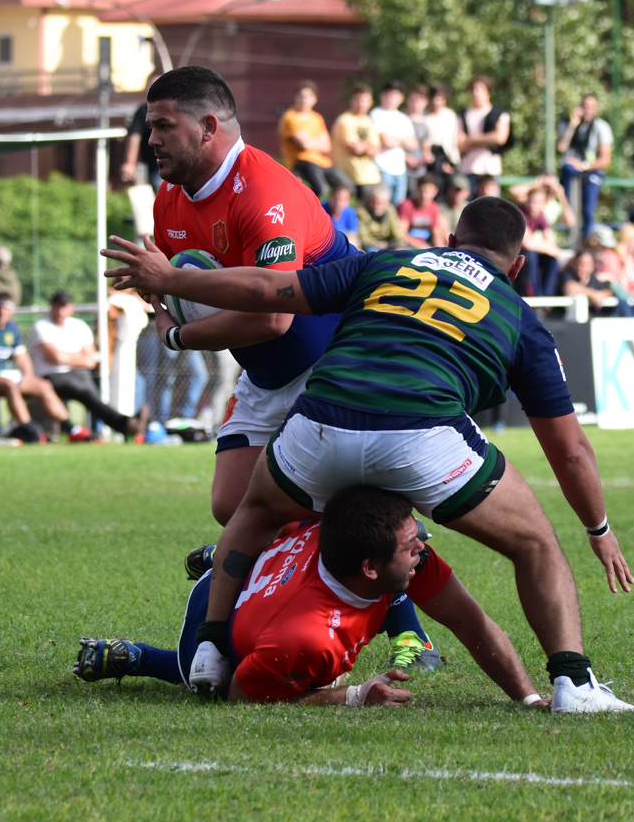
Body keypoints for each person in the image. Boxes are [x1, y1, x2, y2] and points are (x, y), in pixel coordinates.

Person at [105, 196, 634, 712]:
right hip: (421, 435)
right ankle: (573, 683)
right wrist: (599, 529)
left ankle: (210, 647)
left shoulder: (384, 262)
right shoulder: (521, 318)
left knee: (254, 512)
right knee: (536, 543)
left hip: (322, 423)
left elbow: (268, 288)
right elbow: (570, 451)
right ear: (516, 266)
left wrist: (172, 280)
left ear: (450, 239)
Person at [133, 66, 439, 672]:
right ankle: (268, 560)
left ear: (208, 126)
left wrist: (178, 333)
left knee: (360, 514)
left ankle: (410, 631)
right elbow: (181, 289)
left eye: (164, 125)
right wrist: (157, 293)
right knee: (234, 505)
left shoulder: (264, 191)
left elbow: (274, 318)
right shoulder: (169, 200)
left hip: (334, 363)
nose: (152, 139)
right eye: (150, 126)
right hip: (268, 372)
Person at [73, 487, 547, 707]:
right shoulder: (307, 638)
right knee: (207, 684)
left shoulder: (371, 548)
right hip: (222, 610)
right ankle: (137, 657)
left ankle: (234, 557)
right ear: (369, 566)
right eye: (410, 545)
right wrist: (355, 696)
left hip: (286, 574)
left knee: (396, 584)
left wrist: (528, 698)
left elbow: (470, 621)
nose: (422, 549)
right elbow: (244, 696)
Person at [28, 290, 148, 440]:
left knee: (94, 394)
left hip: (80, 374)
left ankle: (117, 426)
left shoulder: (79, 326)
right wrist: (78, 356)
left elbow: (89, 360)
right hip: (51, 376)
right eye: (57, 306)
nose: (60, 311)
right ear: (51, 307)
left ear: (71, 308)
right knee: (88, 394)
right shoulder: (42, 326)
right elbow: (56, 357)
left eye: (64, 306)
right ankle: (125, 424)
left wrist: (65, 357)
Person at [0, 295, 67, 440]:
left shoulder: (12, 327)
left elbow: (21, 356)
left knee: (43, 385)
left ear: (11, 310)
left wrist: (28, 376)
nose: (2, 312)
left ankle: (71, 428)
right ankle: (31, 430)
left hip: (8, 373)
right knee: (10, 385)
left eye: (6, 308)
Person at [557, 94, 614, 241]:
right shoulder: (567, 123)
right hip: (571, 172)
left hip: (592, 172)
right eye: (585, 106)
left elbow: (605, 160)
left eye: (591, 107)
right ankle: (568, 230)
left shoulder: (601, 127)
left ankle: (586, 240)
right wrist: (572, 125)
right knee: (567, 172)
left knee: (588, 211)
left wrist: (583, 166)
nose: (587, 110)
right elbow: (561, 147)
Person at [278, 80, 349, 198]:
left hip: (320, 161)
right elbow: (304, 145)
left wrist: (311, 142)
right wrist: (316, 142)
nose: (304, 99)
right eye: (301, 96)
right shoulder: (290, 117)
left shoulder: (317, 118)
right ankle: (303, 204)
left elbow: (327, 146)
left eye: (308, 96)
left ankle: (328, 208)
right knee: (322, 188)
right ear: (295, 97)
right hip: (300, 162)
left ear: (315, 99)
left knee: (345, 186)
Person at [370, 81, 417, 207]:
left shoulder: (404, 118)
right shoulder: (376, 114)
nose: (391, 98)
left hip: (400, 169)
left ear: (401, 98)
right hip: (382, 168)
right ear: (382, 96)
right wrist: (402, 140)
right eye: (388, 95)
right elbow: (386, 142)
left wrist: (395, 139)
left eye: (395, 95)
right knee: (382, 205)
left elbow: (413, 143)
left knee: (399, 206)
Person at [332, 85, 381, 198]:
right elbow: (354, 149)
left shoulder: (369, 121)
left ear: (370, 102)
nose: (361, 104)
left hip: (372, 176)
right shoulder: (345, 120)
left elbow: (376, 150)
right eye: (358, 100)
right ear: (352, 100)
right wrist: (368, 146)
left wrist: (364, 147)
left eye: (365, 100)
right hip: (351, 177)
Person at [458, 76, 511, 179]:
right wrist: (487, 140)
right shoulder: (462, 115)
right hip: (467, 169)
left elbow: (500, 138)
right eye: (473, 89)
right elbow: (460, 145)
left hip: (490, 169)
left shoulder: (499, 113)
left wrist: (471, 140)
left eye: (480, 89)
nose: (476, 93)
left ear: (488, 92)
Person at [422, 84, 462, 188]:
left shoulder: (450, 115)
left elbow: (453, 140)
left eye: (441, 99)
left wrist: (453, 161)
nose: (437, 102)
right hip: (431, 162)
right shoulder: (423, 117)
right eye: (435, 98)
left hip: (449, 158)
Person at [398, 176, 448, 249]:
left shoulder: (434, 208)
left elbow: (437, 236)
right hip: (408, 246)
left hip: (426, 245)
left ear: (435, 191)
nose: (425, 195)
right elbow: (402, 233)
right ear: (417, 189)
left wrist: (439, 251)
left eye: (428, 192)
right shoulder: (406, 205)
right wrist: (421, 247)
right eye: (422, 191)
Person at [120, 94, 159, 186]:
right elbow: (135, 137)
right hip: (156, 165)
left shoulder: (176, 108)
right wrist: (130, 163)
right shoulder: (144, 111)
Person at [356, 184, 410, 252]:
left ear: (386, 203)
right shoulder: (362, 213)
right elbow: (364, 238)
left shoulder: (390, 211)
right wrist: (378, 244)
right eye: (373, 202)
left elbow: (397, 233)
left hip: (388, 244)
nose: (376, 206)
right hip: (371, 245)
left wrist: (397, 245)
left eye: (380, 203)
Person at [325, 183, 359, 248]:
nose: (338, 203)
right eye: (336, 199)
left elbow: (353, 235)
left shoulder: (350, 212)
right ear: (330, 197)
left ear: (348, 201)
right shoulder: (321, 209)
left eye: (342, 200)